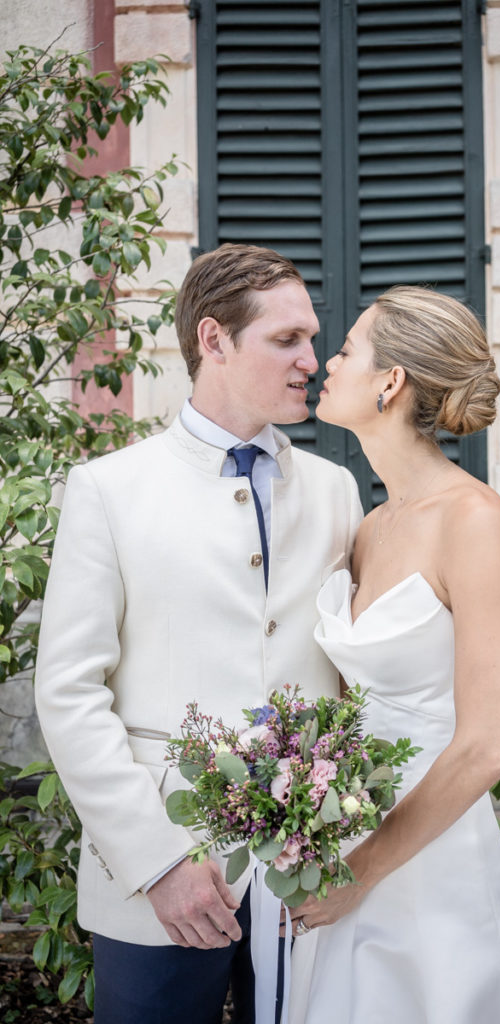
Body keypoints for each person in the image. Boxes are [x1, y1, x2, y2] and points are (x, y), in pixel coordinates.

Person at [34, 243, 363, 1024]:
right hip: (159, 886)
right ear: (213, 341)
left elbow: (355, 685)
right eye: (286, 340)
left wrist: (343, 843)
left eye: (313, 340)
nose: (310, 360)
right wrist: (158, 863)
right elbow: (70, 694)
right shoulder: (108, 490)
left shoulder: (336, 491)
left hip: (306, 882)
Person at [287, 286, 500, 1023]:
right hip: (350, 823)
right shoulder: (371, 526)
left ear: (390, 382)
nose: (324, 366)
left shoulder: (472, 516)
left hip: (427, 851)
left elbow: (482, 750)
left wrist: (361, 871)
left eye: (345, 352)